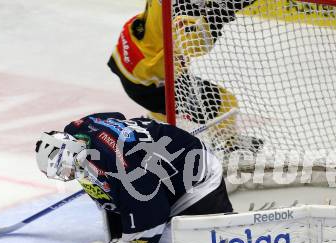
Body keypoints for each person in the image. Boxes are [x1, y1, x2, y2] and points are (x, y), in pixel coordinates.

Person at [35, 112, 233, 243]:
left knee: (217, 242)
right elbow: (115, 117)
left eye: (67, 170)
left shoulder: (119, 161)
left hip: (196, 178)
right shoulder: (76, 129)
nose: (68, 177)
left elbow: (150, 201)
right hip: (162, 167)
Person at [108, 0, 262, 153]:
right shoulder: (183, 7)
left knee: (168, 106)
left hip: (132, 53)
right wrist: (219, 14)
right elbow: (194, 45)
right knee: (225, 102)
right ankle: (228, 146)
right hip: (149, 82)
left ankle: (152, 124)